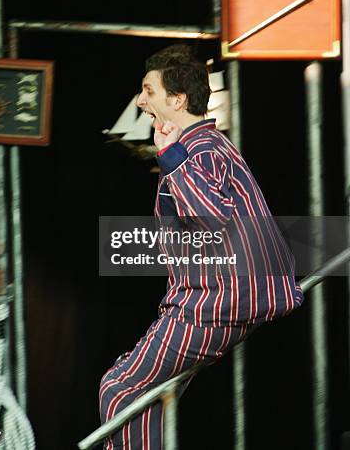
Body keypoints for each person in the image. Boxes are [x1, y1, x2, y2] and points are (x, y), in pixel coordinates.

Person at [99, 45, 304, 449]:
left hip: (214, 303)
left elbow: (211, 219)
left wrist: (172, 156)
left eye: (149, 91)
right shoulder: (210, 146)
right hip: (224, 298)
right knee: (142, 394)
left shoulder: (201, 150)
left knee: (120, 389)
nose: (141, 101)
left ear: (177, 99)